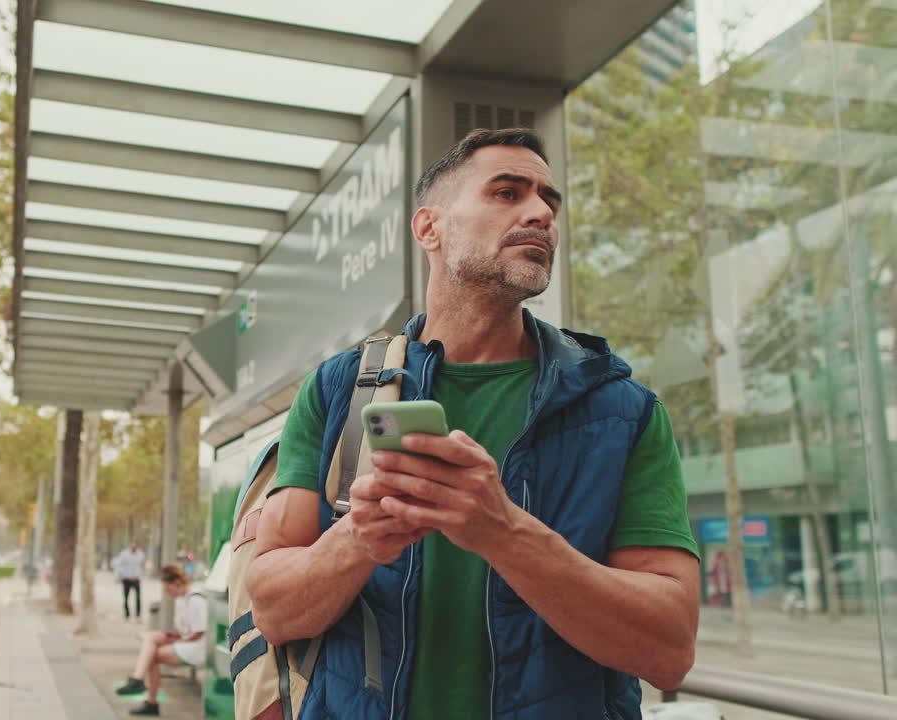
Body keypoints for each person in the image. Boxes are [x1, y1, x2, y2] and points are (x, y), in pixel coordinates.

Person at [245, 128, 701, 720]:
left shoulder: (622, 410)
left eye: (548, 202)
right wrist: (359, 538)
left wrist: (504, 532)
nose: (540, 213)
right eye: (507, 193)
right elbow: (273, 611)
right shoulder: (338, 390)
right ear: (429, 228)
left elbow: (670, 650)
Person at [115, 564, 207, 716]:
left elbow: (199, 633)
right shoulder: (184, 598)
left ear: (177, 582)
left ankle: (149, 699)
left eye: (168, 588)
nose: (167, 592)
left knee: (153, 655)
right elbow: (187, 629)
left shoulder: (196, 599)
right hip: (188, 641)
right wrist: (172, 635)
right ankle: (138, 680)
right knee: (151, 638)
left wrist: (176, 641)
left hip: (197, 647)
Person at [112, 540, 146, 621]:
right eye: (132, 546)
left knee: (138, 598)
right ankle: (127, 614)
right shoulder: (124, 554)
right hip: (126, 578)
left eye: (135, 546)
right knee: (126, 597)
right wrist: (118, 576)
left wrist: (141, 576)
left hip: (136, 579)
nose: (134, 547)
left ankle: (138, 615)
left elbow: (142, 566)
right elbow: (118, 565)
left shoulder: (141, 554)